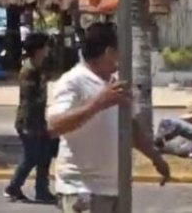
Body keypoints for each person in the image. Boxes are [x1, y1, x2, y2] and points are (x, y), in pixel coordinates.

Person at [47, 22, 170, 213]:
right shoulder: (73, 81)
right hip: (82, 190)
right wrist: (99, 102)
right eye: (119, 50)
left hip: (115, 189)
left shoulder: (115, 83)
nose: (122, 57)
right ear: (108, 52)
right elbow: (54, 126)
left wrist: (155, 157)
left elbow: (130, 125)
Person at [4, 33, 56, 203]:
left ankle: (42, 190)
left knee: (46, 154)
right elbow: (31, 100)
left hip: (38, 121)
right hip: (28, 121)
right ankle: (12, 188)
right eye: (45, 46)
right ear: (37, 50)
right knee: (32, 156)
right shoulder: (29, 70)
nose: (48, 49)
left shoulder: (39, 67)